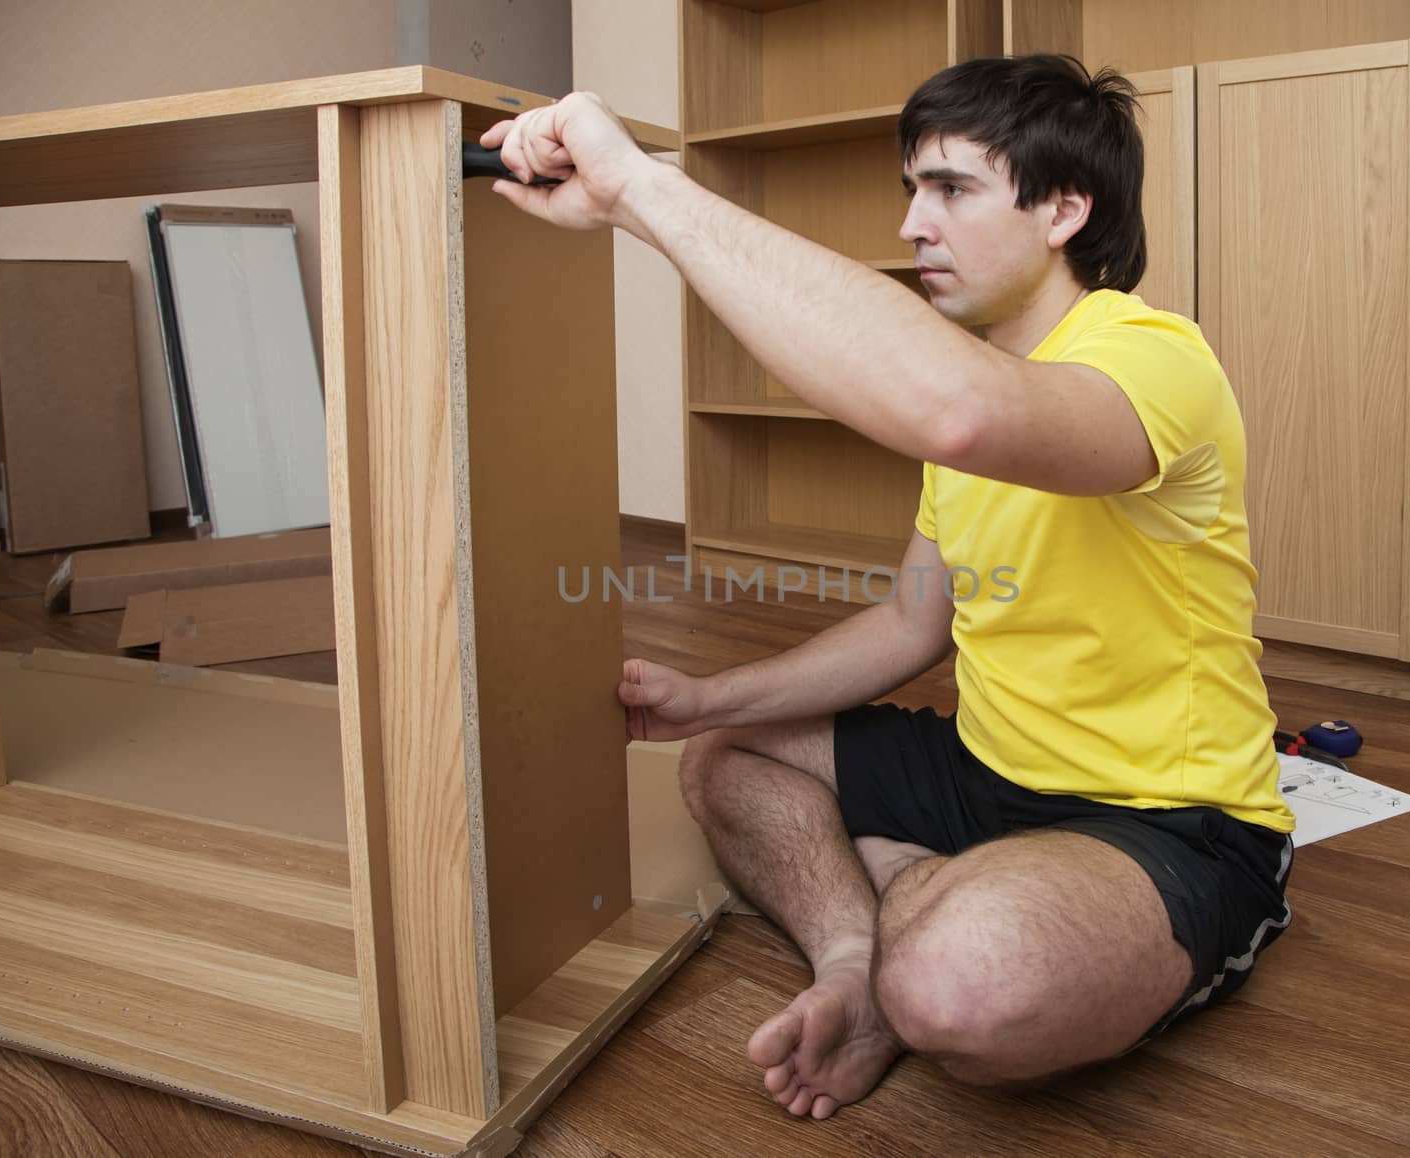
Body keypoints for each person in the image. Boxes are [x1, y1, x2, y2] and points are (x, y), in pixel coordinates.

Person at [481, 53, 1295, 1122]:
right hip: (984, 767)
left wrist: (641, 188)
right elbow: (916, 621)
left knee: (957, 989)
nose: (913, 223)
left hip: (1163, 815)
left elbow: (957, 409)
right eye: (911, 188)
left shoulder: (1149, 355)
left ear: (1063, 209)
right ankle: (852, 964)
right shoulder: (969, 392)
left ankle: (916, 917)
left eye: (951, 189)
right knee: (725, 763)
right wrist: (706, 701)